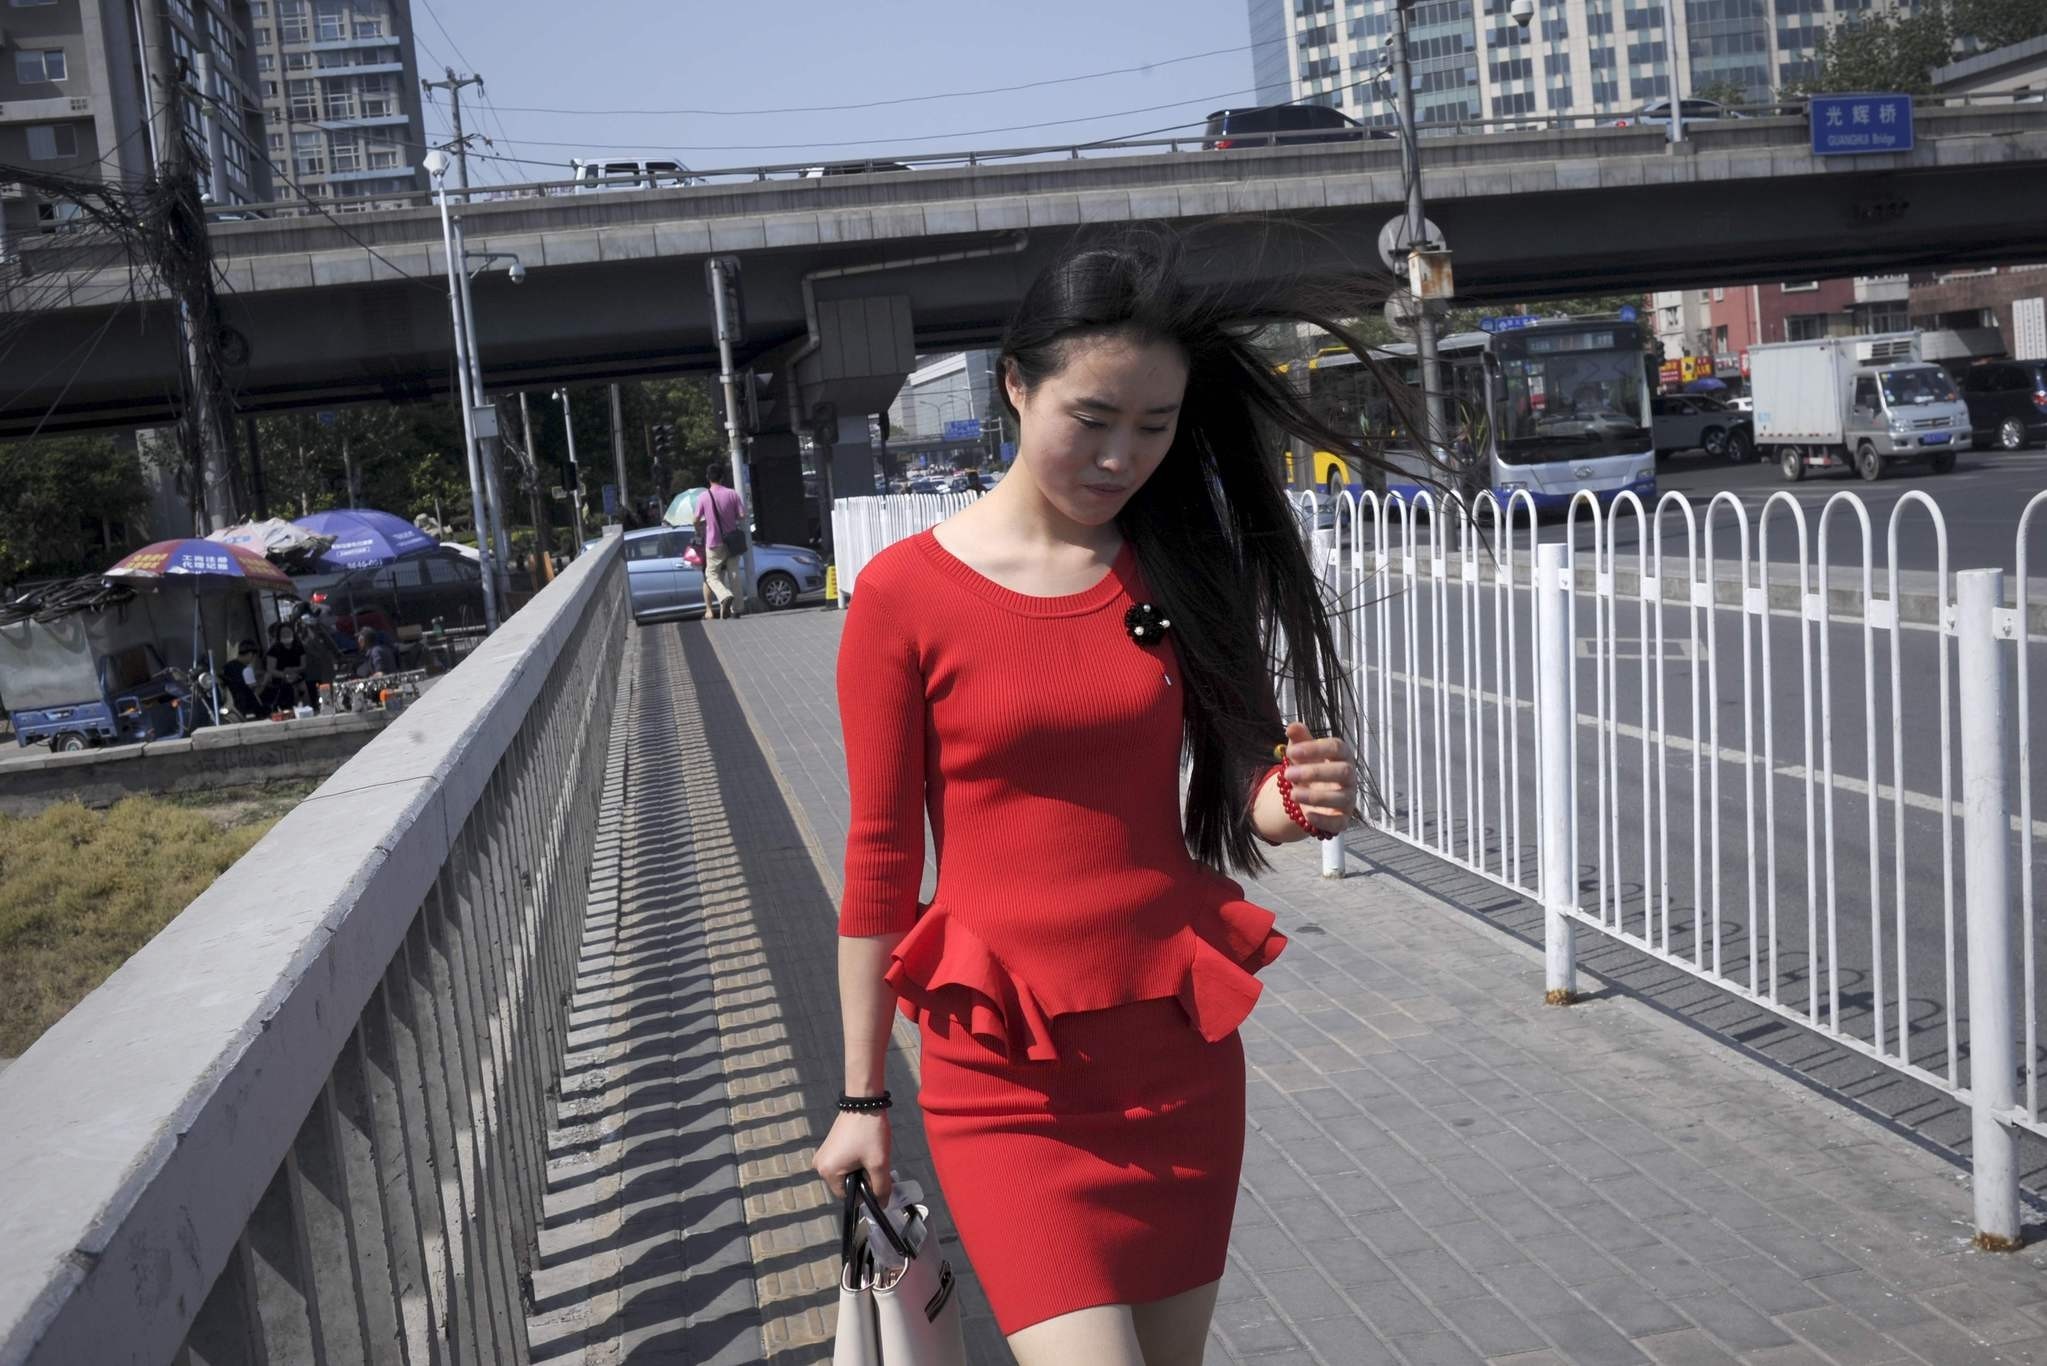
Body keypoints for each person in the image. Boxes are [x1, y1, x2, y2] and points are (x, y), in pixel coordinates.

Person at [814, 230, 1367, 1366]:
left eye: (1154, 428)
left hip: (1175, 1061)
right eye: (1093, 419)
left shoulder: (1172, 568)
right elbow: (878, 860)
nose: (1122, 456)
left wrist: (1297, 799)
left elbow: (1242, 790)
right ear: (1016, 384)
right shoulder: (902, 595)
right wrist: (863, 1099)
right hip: (1005, 1079)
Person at [692, 463, 746, 620]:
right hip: (733, 541)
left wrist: (700, 525)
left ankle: (724, 595)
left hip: (714, 542)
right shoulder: (732, 494)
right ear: (722, 477)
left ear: (708, 478)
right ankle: (738, 609)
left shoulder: (703, 497)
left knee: (711, 574)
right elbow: (742, 515)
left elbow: (696, 519)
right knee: (734, 573)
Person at [224, 639, 291, 718]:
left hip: (235, 705)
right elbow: (255, 693)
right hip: (250, 708)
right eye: (254, 657)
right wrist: (265, 682)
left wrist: (257, 674)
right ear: (250, 654)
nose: (253, 660)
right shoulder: (247, 670)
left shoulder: (228, 667)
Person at [265, 620, 308, 707]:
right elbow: (270, 669)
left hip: (298, 677)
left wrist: (293, 670)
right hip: (281, 680)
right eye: (283, 633)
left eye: (288, 632)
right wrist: (285, 675)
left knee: (303, 690)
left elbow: (303, 665)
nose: (286, 635)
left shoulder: (299, 647)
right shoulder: (273, 650)